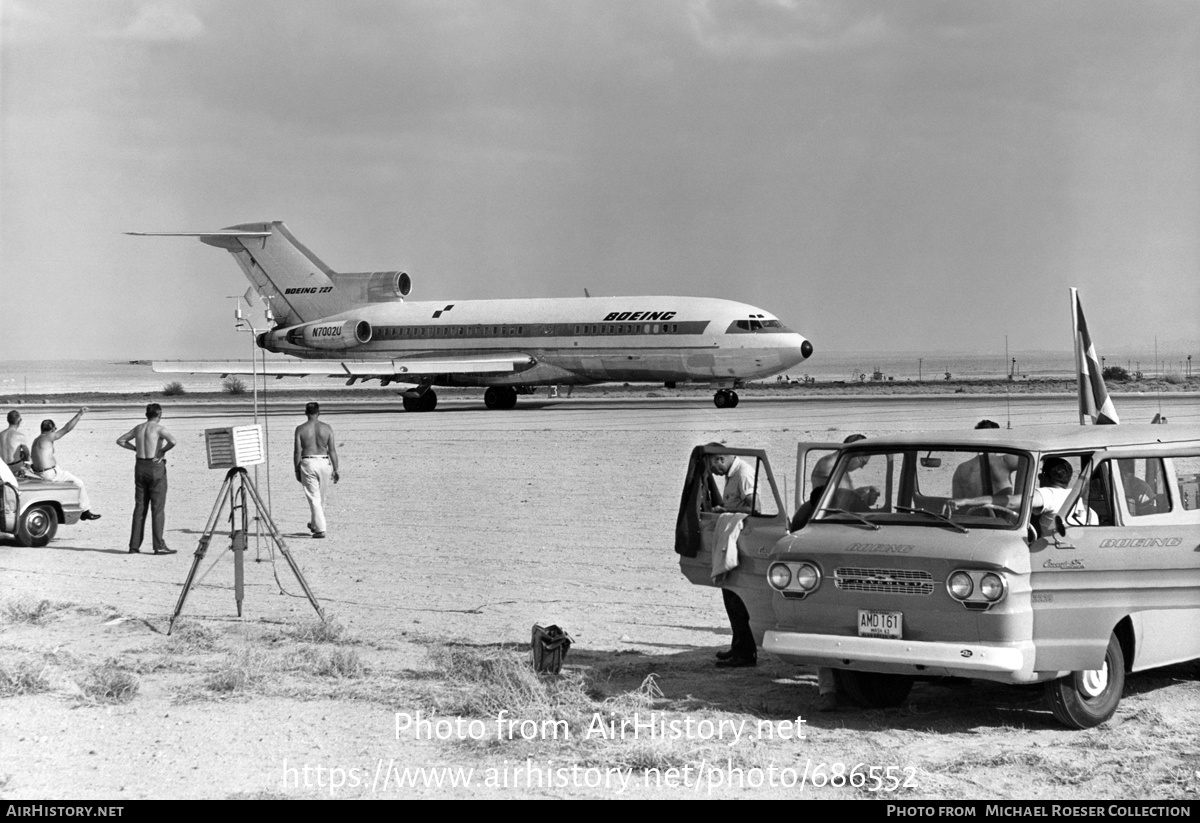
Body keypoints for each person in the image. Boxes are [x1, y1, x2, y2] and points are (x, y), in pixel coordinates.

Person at [705, 451, 758, 669]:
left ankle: (745, 654)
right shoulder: (732, 474)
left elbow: (754, 507)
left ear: (721, 459)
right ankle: (738, 648)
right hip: (734, 540)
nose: (714, 472)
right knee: (730, 598)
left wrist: (726, 510)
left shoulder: (744, 473)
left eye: (713, 467)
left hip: (742, 542)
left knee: (738, 602)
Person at [116, 403, 177, 555]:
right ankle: (159, 545)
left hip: (140, 465)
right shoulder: (158, 428)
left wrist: (135, 448)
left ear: (146, 414)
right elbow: (173, 441)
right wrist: (162, 451)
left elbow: (121, 440)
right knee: (157, 508)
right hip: (154, 466)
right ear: (160, 413)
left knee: (140, 507)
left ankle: (134, 545)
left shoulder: (138, 428)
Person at [31, 408, 100, 521]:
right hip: (50, 474)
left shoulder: (36, 440)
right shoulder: (49, 436)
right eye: (55, 429)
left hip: (40, 473)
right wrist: (79, 414)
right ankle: (85, 511)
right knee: (79, 483)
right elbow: (67, 428)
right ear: (52, 429)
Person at [294, 402, 339, 539]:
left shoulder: (300, 429)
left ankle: (320, 529)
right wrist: (336, 469)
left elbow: (297, 451)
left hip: (308, 461)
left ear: (306, 412)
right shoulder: (327, 428)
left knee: (314, 497)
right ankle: (315, 524)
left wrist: (296, 469)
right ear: (319, 412)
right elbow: (332, 450)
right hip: (324, 462)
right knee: (321, 497)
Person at [951, 420, 1022, 498]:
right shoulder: (1004, 461)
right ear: (998, 439)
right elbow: (1031, 461)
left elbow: (956, 502)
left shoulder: (962, 468)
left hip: (973, 510)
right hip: (1002, 510)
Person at [1, 410, 30, 477]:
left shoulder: (1, 434)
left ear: (8, 420)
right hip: (16, 467)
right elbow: (27, 454)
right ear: (19, 421)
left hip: (3, 468)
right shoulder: (19, 436)